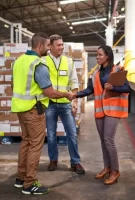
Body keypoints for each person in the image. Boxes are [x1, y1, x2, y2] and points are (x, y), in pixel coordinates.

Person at [11, 32, 75, 195]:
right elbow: (50, 92)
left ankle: (21, 177)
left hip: (20, 109)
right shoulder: (38, 64)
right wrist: (67, 94)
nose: (49, 48)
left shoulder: (19, 61)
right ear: (40, 46)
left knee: (26, 142)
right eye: (48, 45)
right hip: (33, 110)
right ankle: (30, 183)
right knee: (35, 145)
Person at [74, 45, 130, 185]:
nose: (97, 57)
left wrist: (113, 88)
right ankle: (107, 167)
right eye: (97, 55)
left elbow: (127, 87)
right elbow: (90, 90)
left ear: (108, 56)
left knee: (108, 139)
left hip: (113, 110)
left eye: (100, 55)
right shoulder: (97, 74)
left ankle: (115, 171)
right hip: (100, 110)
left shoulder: (117, 70)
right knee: (103, 140)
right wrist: (75, 95)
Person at [42, 34, 85, 174]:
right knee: (52, 134)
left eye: (62, 44)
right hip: (50, 103)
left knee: (72, 133)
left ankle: (75, 162)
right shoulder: (43, 61)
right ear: (51, 46)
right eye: (58, 45)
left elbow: (74, 81)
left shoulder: (68, 61)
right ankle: (53, 160)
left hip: (66, 103)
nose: (61, 47)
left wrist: (75, 102)